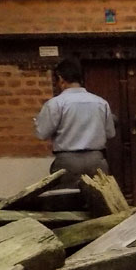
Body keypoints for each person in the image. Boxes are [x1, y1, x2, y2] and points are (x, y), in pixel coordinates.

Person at [34, 58, 116, 188]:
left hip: (67, 161)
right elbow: (110, 133)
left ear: (61, 79)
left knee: (68, 201)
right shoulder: (101, 102)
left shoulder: (55, 104)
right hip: (96, 160)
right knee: (100, 201)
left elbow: (41, 134)